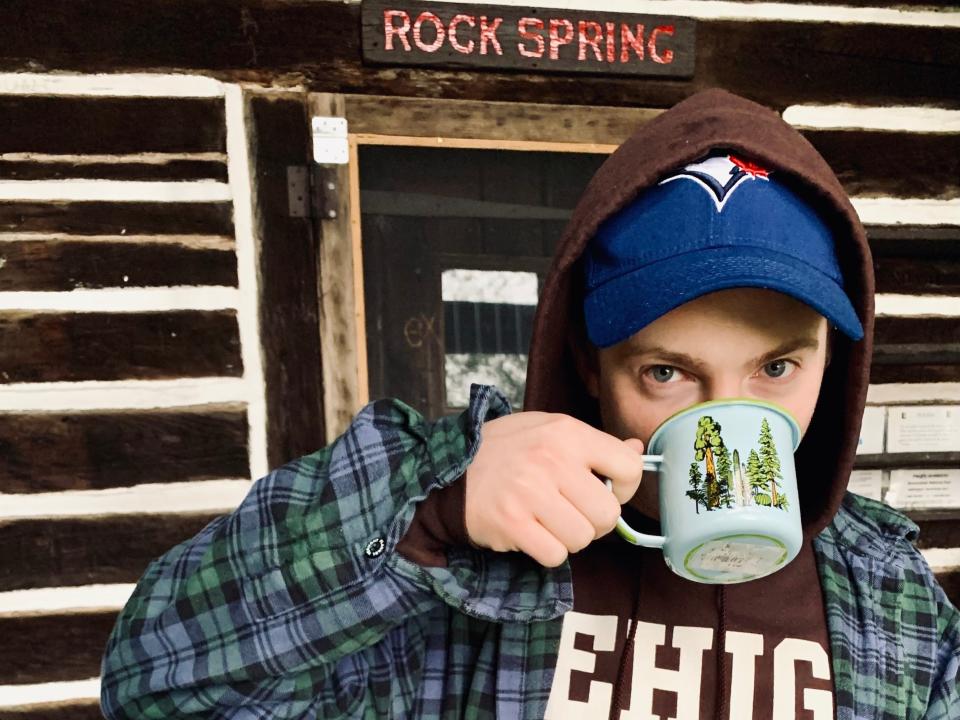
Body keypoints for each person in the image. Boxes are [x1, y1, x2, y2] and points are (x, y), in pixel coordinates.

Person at [100, 89, 959, 719]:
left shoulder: (890, 592)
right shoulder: (457, 546)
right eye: (666, 373)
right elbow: (155, 684)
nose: (727, 419)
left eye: (777, 368)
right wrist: (427, 515)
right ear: (589, 363)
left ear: (834, 365)